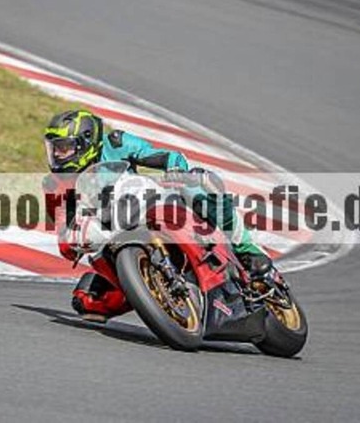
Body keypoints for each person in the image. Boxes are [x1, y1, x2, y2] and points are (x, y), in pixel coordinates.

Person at [42, 109, 273, 323]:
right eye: (53, 149)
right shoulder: (54, 185)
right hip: (110, 234)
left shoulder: (116, 143)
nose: (57, 155)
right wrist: (72, 243)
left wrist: (175, 169)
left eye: (63, 148)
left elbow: (166, 157)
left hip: (143, 204)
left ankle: (247, 248)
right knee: (85, 300)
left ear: (85, 142)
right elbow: (63, 233)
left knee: (195, 188)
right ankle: (160, 297)